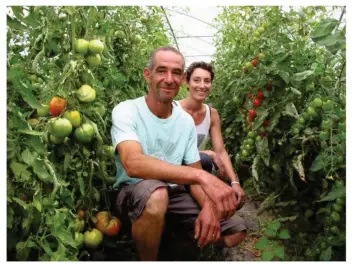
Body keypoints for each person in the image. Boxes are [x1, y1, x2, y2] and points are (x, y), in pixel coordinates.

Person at [111, 46, 247, 261]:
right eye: (161, 71)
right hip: (134, 190)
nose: (168, 78)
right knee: (157, 195)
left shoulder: (184, 121)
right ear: (148, 75)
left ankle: (173, 239)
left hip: (175, 194)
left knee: (236, 230)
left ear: (182, 78)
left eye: (175, 72)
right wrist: (203, 176)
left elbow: (193, 172)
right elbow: (132, 163)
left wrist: (209, 208)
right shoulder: (127, 110)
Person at [175, 61, 246, 210]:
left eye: (207, 81)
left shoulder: (211, 114)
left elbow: (221, 151)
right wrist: (206, 152)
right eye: (196, 80)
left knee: (231, 196)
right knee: (206, 160)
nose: (202, 85)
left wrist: (235, 183)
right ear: (186, 82)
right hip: (175, 171)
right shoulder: (173, 109)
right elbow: (169, 152)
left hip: (198, 171)